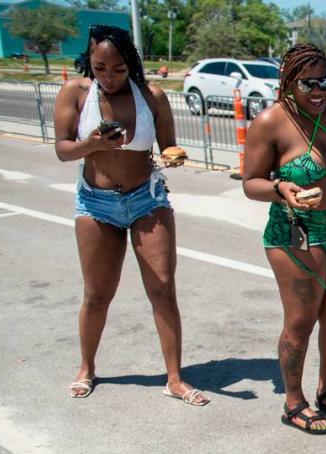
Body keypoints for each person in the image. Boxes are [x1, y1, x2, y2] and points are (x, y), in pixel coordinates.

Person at [52, 25, 209, 406]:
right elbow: (62, 149)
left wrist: (174, 154)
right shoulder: (76, 93)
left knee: (162, 288)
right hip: (96, 204)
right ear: (90, 61)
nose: (109, 76)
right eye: (100, 67)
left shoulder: (151, 96)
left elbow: (169, 144)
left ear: (131, 64)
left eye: (118, 68)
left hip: (146, 200)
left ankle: (174, 378)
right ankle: (86, 368)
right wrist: (91, 143)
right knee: (97, 293)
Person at [242, 43, 326, 435]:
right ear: (288, 83)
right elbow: (250, 183)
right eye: (309, 84)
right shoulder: (270, 122)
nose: (319, 92)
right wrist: (281, 188)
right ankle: (293, 402)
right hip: (296, 231)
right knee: (301, 322)